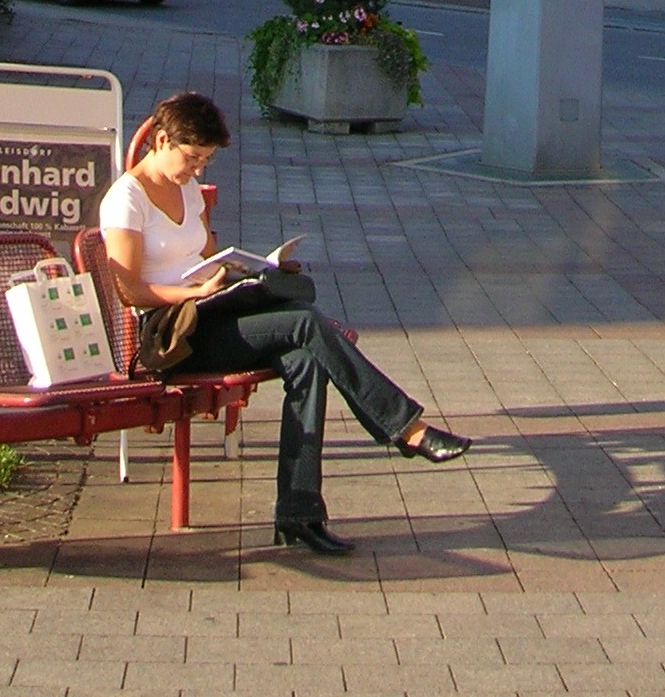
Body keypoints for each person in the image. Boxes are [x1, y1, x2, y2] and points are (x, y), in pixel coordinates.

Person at [99, 90, 468, 556]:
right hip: (170, 334)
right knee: (304, 324)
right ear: (162, 140)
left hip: (208, 313)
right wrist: (190, 293)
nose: (197, 171)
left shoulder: (187, 190)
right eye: (192, 158)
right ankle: (405, 428)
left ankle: (300, 515)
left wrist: (255, 270)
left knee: (305, 360)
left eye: (205, 161)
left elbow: (205, 256)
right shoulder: (126, 199)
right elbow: (128, 289)